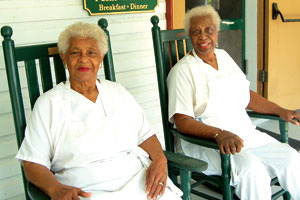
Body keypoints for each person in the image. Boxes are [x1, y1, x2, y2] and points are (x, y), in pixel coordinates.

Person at [16, 22, 182, 200]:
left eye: (91, 53)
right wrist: (55, 188)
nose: (84, 59)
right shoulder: (48, 104)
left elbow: (146, 135)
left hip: (139, 183)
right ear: (64, 57)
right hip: (87, 190)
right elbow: (32, 163)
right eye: (75, 52)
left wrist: (160, 159)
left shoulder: (118, 92)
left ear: (101, 58)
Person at [167, 5, 300, 200]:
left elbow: (245, 93)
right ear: (189, 35)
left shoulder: (224, 57)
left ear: (217, 32)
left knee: (290, 158)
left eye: (209, 30)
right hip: (208, 144)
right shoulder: (182, 72)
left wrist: (281, 110)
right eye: (196, 31)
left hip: (245, 135)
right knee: (253, 171)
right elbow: (182, 120)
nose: (203, 36)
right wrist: (219, 134)